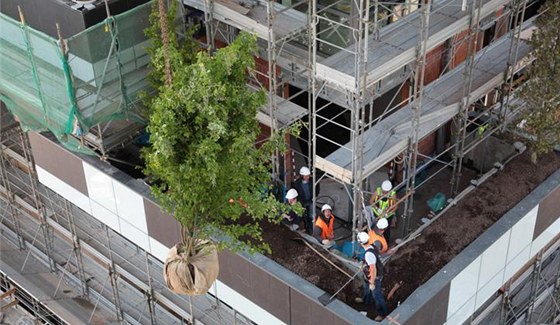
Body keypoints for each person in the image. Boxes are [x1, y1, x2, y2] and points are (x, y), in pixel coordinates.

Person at [356, 231, 388, 321]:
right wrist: (363, 267)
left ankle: (382, 313)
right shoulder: (371, 247)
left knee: (377, 295)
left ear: (360, 242)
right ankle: (366, 300)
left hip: (374, 278)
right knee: (366, 288)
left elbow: (373, 269)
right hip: (368, 275)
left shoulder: (369, 254)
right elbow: (368, 263)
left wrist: (372, 282)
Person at [292, 166, 319, 235]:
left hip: (310, 201)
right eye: (306, 176)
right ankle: (306, 227)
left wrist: (315, 195)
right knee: (303, 216)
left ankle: (312, 229)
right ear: (302, 176)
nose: (308, 177)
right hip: (302, 202)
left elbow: (317, 187)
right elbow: (295, 193)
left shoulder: (312, 181)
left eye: (308, 176)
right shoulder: (297, 184)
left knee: (312, 215)